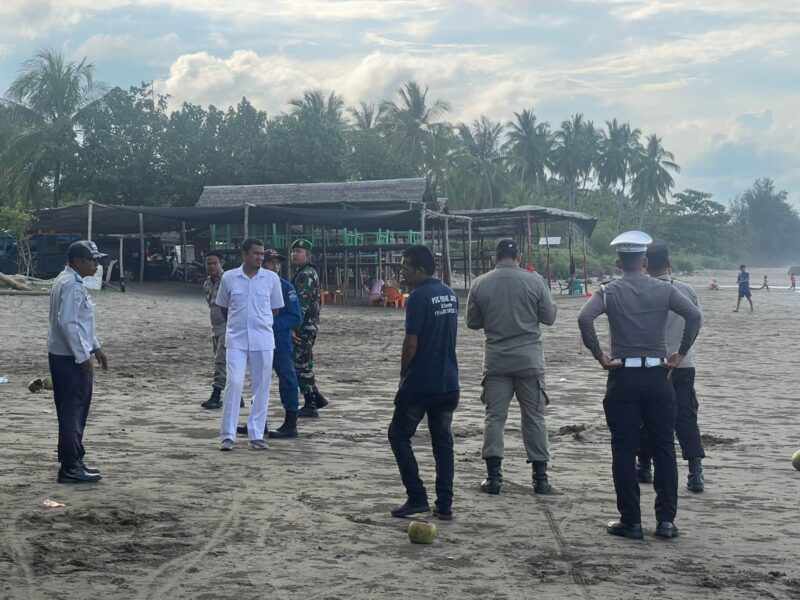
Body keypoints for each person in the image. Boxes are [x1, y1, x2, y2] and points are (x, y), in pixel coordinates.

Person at [577, 231, 702, 540]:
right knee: (663, 449)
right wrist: (681, 353)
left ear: (619, 263)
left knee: (623, 449)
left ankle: (631, 521)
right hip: (658, 375)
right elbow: (694, 316)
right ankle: (665, 522)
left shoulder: (609, 292)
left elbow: (584, 319)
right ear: (644, 262)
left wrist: (600, 356)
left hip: (624, 375)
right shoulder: (664, 290)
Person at [465, 239, 558, 495]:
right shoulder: (534, 280)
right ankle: (540, 479)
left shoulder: (480, 283)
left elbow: (472, 322)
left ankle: (493, 478)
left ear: (495, 258)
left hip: (496, 360)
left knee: (494, 418)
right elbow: (549, 318)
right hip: (529, 360)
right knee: (535, 417)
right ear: (518, 256)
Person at [388, 245, 459, 520]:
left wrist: (403, 375)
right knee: (442, 443)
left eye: (406, 268)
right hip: (448, 381)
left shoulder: (418, 296)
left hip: (421, 382)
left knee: (398, 435)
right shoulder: (449, 294)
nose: (402, 273)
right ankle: (444, 503)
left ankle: (417, 495)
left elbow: (411, 341)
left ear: (420, 270)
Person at [636, 244, 706, 493]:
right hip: (683, 363)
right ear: (670, 263)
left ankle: (644, 465)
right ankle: (695, 470)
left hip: (652, 363)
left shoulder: (642, 289)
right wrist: (683, 351)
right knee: (685, 416)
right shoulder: (685, 289)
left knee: (645, 415)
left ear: (645, 264)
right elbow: (697, 322)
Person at [47, 241, 109, 483]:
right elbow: (69, 324)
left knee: (72, 409)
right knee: (73, 410)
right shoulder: (72, 285)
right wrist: (83, 356)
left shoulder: (66, 280)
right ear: (77, 261)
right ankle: (70, 465)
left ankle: (75, 459)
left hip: (64, 353)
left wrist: (96, 347)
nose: (97, 264)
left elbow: (81, 323)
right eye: (92, 260)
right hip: (70, 357)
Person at [215, 238, 284, 451]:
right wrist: (239, 323)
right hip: (236, 338)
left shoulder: (271, 279)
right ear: (244, 254)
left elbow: (275, 309)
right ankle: (228, 435)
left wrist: (259, 323)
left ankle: (256, 433)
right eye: (256, 254)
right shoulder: (229, 277)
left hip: (263, 339)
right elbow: (224, 307)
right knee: (234, 383)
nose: (260, 258)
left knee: (261, 387)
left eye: (262, 254)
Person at [263, 250, 303, 438]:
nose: (275, 266)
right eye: (271, 263)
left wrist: (269, 325)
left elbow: (295, 316)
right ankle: (258, 423)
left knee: (287, 380)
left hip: (280, 342)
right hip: (258, 341)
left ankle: (290, 424)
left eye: (277, 263)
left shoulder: (286, 287)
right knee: (258, 382)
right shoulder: (254, 285)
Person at [291, 239, 329, 417]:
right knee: (303, 362)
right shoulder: (306, 271)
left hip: (304, 326)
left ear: (308, 255)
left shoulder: (305, 274)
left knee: (302, 365)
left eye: (299, 251)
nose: (294, 254)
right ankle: (317, 397)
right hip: (309, 325)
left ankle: (311, 404)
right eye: (293, 251)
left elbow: (302, 304)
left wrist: (293, 327)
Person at [201, 252, 228, 410]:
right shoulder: (207, 283)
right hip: (215, 327)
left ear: (221, 263)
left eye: (214, 263)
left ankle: (216, 395)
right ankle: (236, 396)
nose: (211, 266)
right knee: (226, 363)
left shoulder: (228, 281)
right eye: (208, 264)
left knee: (221, 361)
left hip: (227, 326)